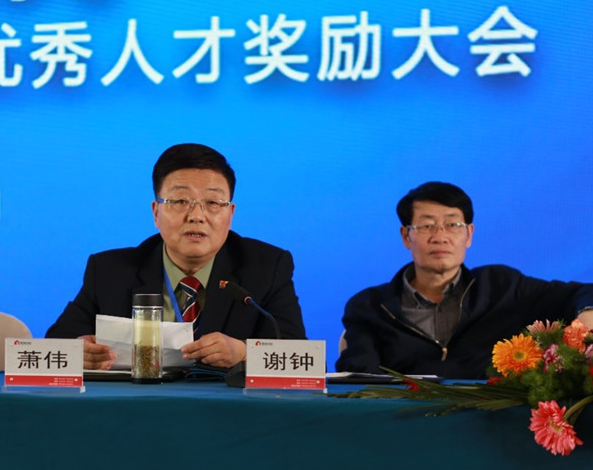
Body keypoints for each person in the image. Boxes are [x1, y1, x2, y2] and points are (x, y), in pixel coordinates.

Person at [46, 143, 306, 370]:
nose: (196, 216)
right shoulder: (110, 271)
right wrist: (78, 352)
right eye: (180, 201)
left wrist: (245, 354)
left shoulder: (266, 267)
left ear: (230, 214)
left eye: (213, 203)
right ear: (156, 212)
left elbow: (305, 360)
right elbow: (55, 346)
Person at [335, 181, 593, 379]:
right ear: (406, 236)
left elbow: (580, 292)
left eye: (452, 225)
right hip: (404, 422)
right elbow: (360, 381)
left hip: (491, 422)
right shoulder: (370, 306)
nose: (440, 236)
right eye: (426, 226)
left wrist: (587, 314)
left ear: (469, 234)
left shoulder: (502, 286)